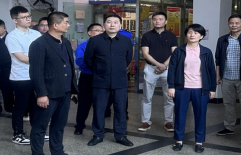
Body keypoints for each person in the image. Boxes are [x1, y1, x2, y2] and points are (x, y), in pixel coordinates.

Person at [28, 12, 79, 155]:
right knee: (40, 125)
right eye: (66, 22)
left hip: (65, 90)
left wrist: (73, 88)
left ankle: (57, 151)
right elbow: (36, 71)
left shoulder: (66, 42)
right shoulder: (39, 44)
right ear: (55, 25)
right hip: (48, 92)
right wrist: (41, 94)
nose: (68, 25)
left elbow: (69, 66)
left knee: (59, 123)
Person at [84, 13, 133, 147]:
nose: (112, 25)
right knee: (99, 109)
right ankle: (98, 135)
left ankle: (120, 135)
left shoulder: (126, 41)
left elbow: (128, 59)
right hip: (100, 80)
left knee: (120, 109)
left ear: (120, 25)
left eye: (115, 22)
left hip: (120, 81)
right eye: (109, 22)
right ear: (104, 25)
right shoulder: (94, 40)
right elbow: (88, 59)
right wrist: (99, 70)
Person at [167, 24, 216, 153]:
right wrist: (171, 86)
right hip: (182, 88)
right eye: (190, 32)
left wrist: (212, 89)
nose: (192, 35)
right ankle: (178, 140)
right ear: (186, 34)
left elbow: (211, 71)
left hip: (201, 89)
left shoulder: (206, 52)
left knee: (200, 115)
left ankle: (199, 142)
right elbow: (172, 70)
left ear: (201, 36)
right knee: (180, 115)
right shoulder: (179, 50)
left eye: (196, 33)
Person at [5, 6, 41, 145]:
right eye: (24, 17)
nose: (28, 19)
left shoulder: (36, 34)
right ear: (15, 20)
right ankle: (18, 134)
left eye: (29, 16)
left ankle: (37, 132)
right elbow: (22, 58)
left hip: (36, 76)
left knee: (36, 106)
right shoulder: (12, 37)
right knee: (20, 107)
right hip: (21, 77)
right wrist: (42, 61)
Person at [214, 14, 241, 141]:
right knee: (228, 103)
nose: (234, 25)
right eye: (231, 23)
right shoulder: (222, 40)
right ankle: (229, 127)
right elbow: (218, 59)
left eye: (237, 23)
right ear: (228, 24)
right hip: (226, 77)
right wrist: (218, 75)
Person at [139, 11, 177, 132]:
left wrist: (164, 65)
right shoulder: (147, 36)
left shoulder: (171, 36)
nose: (157, 21)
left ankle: (168, 122)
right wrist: (159, 65)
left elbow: (174, 52)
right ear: (152, 21)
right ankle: (146, 122)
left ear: (165, 21)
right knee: (147, 97)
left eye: (160, 19)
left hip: (167, 68)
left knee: (169, 96)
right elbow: (145, 54)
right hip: (151, 68)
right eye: (155, 19)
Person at [73, 23, 104, 135]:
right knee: (84, 104)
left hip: (101, 78)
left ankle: (99, 128)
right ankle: (79, 126)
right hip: (87, 77)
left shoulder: (105, 45)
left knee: (100, 104)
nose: (100, 33)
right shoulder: (83, 46)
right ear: (89, 32)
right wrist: (95, 65)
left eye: (102, 31)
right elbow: (79, 61)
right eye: (97, 30)